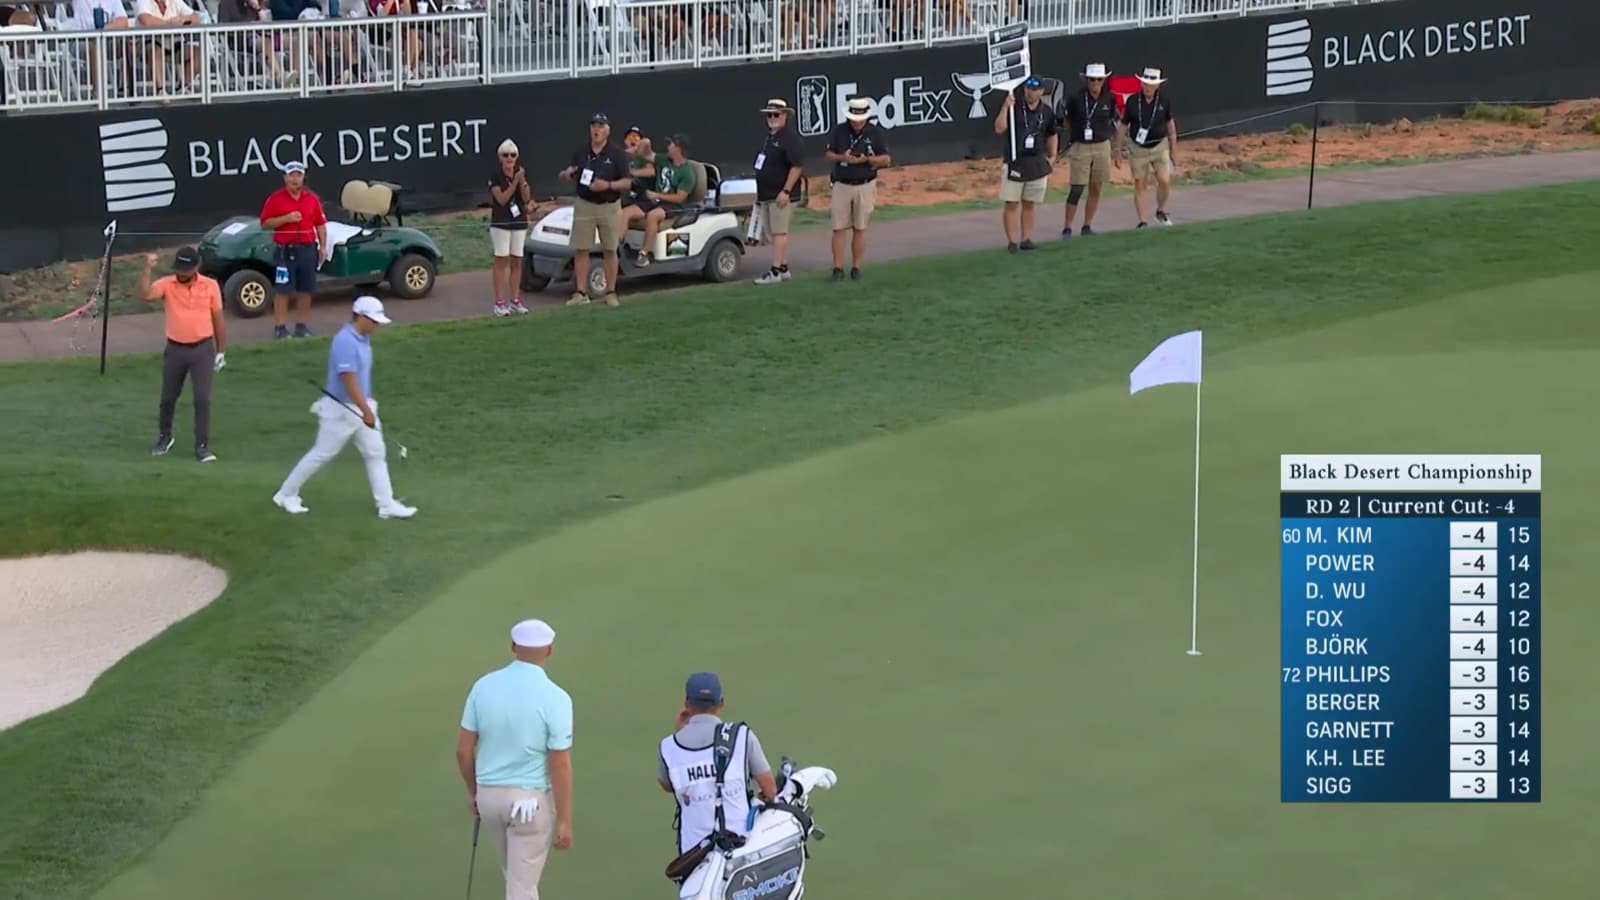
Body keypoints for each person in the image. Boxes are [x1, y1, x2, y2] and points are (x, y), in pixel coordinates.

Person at [457, 619, 575, 900]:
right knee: (521, 887)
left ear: (513, 646)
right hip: (529, 804)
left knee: (517, 879)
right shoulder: (556, 698)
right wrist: (565, 820)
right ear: (549, 650)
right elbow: (559, 762)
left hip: (489, 799)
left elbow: (463, 750)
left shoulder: (483, 687)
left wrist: (474, 792)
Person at [270, 296, 418, 519]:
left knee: (376, 453)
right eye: (374, 320)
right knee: (321, 454)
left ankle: (386, 504)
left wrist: (368, 401)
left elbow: (360, 376)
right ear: (360, 317)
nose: (377, 325)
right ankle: (286, 494)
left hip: (360, 405)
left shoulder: (362, 337)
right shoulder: (345, 341)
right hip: (341, 411)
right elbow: (348, 380)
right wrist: (366, 410)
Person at [658, 672, 779, 859]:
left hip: (693, 859)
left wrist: (680, 730)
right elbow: (770, 790)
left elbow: (668, 785)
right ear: (721, 702)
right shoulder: (742, 735)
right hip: (742, 850)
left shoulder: (668, 747)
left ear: (687, 703)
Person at [138, 246, 226, 463]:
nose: (182, 273)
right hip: (175, 349)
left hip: (203, 349)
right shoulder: (167, 284)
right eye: (179, 269)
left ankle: (202, 446)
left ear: (196, 267)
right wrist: (147, 269)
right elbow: (145, 294)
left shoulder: (210, 286)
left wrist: (221, 351)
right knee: (168, 398)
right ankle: (164, 437)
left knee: (202, 399)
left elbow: (218, 319)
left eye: (186, 270)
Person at [558, 112, 631, 308]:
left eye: (600, 126)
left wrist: (607, 185)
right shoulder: (581, 151)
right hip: (585, 204)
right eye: (594, 126)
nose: (596, 130)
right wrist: (566, 174)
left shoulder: (616, 154)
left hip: (609, 206)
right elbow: (570, 171)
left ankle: (610, 292)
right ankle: (581, 293)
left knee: (609, 249)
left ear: (608, 130)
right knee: (581, 249)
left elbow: (626, 182)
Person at [259, 160, 328, 339]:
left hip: (307, 249)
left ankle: (302, 326)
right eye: (291, 175)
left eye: (298, 175)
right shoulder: (275, 199)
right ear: (285, 177)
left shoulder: (311, 199)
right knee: (283, 290)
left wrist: (323, 247)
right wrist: (286, 218)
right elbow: (265, 224)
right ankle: (280, 327)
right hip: (285, 251)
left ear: (304, 178)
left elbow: (320, 224)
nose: (295, 179)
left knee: (306, 289)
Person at [824, 97, 890, 282]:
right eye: (854, 119)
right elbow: (828, 155)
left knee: (860, 228)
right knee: (838, 228)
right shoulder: (840, 130)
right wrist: (842, 157)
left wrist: (867, 159)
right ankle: (837, 269)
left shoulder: (875, 132)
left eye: (860, 119)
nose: (857, 123)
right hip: (842, 184)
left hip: (865, 184)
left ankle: (856, 268)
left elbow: (886, 159)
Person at [995, 75, 1058, 253]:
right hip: (1016, 161)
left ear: (1041, 91)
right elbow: (999, 128)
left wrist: (1052, 157)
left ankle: (1026, 238)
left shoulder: (1046, 112)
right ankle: (1012, 241)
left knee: (1029, 203)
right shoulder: (1014, 108)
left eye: (1034, 89)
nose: (1030, 92)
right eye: (1028, 88)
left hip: (1036, 163)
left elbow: (1052, 134)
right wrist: (1005, 106)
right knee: (1012, 203)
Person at [1060, 63, 1121, 238]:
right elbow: (1066, 121)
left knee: (1096, 187)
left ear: (1104, 81)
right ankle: (1067, 227)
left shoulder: (1109, 98)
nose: (1095, 83)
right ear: (1086, 80)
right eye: (1092, 79)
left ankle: (1087, 225)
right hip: (1081, 146)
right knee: (1077, 188)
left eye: (1099, 80)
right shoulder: (1076, 98)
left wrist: (1117, 149)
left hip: (1102, 145)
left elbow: (1114, 121)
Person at [619, 133, 696, 269]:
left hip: (673, 206)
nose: (668, 147)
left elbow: (680, 197)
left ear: (678, 148)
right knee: (625, 213)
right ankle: (615, 250)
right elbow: (647, 154)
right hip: (655, 201)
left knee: (653, 215)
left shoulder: (687, 173)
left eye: (671, 144)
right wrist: (644, 143)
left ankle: (644, 255)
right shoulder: (663, 159)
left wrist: (657, 195)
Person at [751, 99, 806, 285]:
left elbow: (797, 166)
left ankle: (775, 271)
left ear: (785, 116)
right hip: (768, 193)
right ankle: (783, 268)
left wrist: (786, 190)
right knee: (774, 232)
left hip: (780, 194)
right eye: (769, 115)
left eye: (776, 114)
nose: (772, 118)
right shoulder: (771, 137)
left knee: (779, 232)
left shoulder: (789, 138)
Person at [1123, 67, 1179, 228]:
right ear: (1141, 84)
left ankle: (1160, 211)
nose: (1147, 87)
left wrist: (1174, 149)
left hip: (1159, 146)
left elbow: (1170, 124)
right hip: (1138, 148)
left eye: (1151, 84)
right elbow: (1123, 125)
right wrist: (1118, 149)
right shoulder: (1133, 101)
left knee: (1164, 180)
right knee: (1140, 184)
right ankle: (1142, 221)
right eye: (1145, 84)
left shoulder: (1164, 100)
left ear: (1157, 86)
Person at [489, 138, 533, 317]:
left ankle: (515, 299)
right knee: (502, 260)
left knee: (516, 260)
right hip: (501, 223)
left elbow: (526, 198)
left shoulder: (519, 174)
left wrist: (521, 181)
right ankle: (499, 302)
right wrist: (514, 182)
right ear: (500, 158)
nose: (509, 159)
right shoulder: (496, 176)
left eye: (512, 155)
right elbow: (501, 199)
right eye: (506, 155)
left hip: (519, 222)